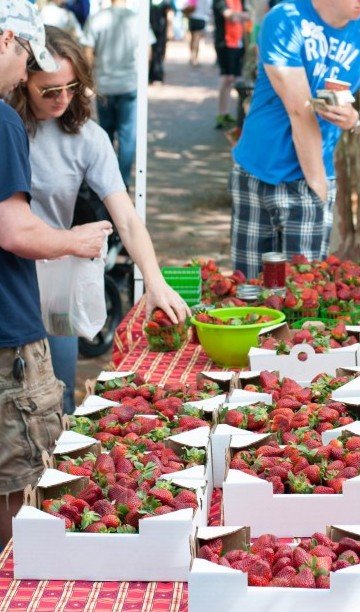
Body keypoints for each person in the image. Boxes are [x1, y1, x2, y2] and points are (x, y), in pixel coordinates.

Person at [10, 26, 190, 414]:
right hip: (9, 284)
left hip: (56, 288)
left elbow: (125, 216)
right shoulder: (8, 126)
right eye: (50, 90)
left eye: (72, 87)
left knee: (57, 398)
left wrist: (154, 281)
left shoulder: (87, 137)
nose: (63, 98)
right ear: (24, 80)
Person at [0, 0, 111, 547]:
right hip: (11, 315)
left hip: (34, 309)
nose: (27, 72)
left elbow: (125, 211)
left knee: (50, 415)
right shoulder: (2, 121)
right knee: (21, 468)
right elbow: (15, 231)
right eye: (26, 58)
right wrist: (73, 240)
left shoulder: (84, 137)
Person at [229, 0, 360, 279]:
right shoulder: (285, 19)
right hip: (256, 174)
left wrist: (356, 120)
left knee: (302, 294)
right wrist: (319, 186)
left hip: (311, 179)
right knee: (250, 290)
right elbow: (299, 110)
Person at [82, 0, 139, 188]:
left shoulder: (96, 19)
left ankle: (106, 181)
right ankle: (122, 182)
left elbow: (87, 54)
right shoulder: (136, 19)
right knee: (127, 135)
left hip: (105, 85)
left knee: (105, 134)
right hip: (129, 84)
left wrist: (89, 80)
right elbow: (147, 51)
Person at [212, 0, 248, 129]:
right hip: (225, 43)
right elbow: (229, 15)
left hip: (238, 42)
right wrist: (240, 16)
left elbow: (244, 16)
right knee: (227, 77)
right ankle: (222, 113)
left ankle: (230, 113)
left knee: (236, 79)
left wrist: (238, 15)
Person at [149, 0, 171, 84]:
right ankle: (151, 75)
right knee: (151, 53)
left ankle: (157, 75)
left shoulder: (165, 2)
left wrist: (169, 29)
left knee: (159, 52)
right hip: (151, 30)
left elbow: (169, 15)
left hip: (161, 31)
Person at [188, 0, 212, 67]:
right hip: (201, 18)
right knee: (196, 39)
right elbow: (208, 8)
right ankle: (195, 57)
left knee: (193, 38)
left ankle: (192, 56)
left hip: (193, 17)